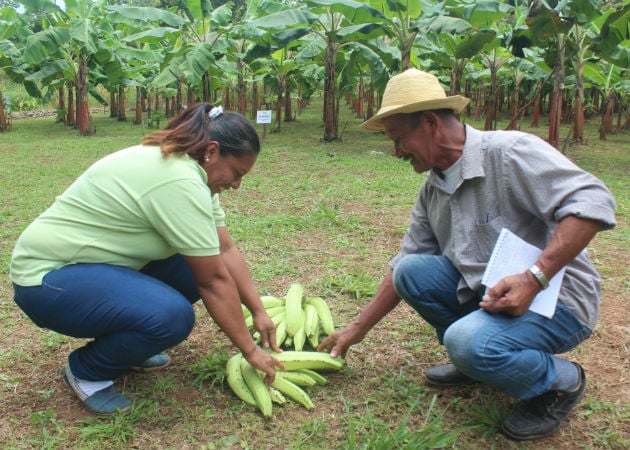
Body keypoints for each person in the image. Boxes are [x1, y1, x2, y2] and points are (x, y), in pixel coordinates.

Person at [318, 69, 617, 441]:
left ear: (429, 122)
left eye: (399, 139)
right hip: (494, 298)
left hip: (558, 302)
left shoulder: (509, 153)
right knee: (410, 271)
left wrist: (533, 277)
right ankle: (476, 358)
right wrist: (356, 329)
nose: (396, 152)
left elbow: (594, 202)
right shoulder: (433, 189)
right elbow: (403, 264)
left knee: (466, 342)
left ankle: (561, 381)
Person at [10, 103, 284, 415]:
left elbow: (223, 250)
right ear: (211, 151)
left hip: (92, 270)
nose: (236, 185)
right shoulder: (178, 179)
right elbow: (213, 281)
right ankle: (87, 371)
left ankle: (126, 347)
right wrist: (249, 349)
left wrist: (258, 310)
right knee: (173, 315)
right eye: (237, 173)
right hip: (48, 281)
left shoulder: (194, 174)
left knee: (189, 267)